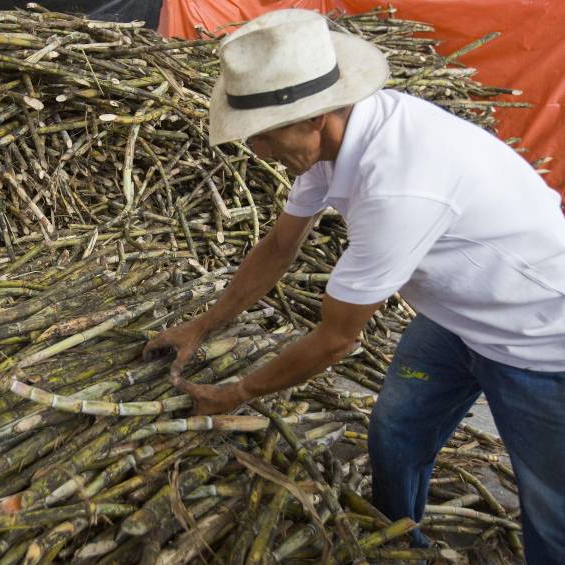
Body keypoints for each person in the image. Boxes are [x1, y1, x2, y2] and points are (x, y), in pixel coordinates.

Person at [142, 9, 565, 564]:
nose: (259, 153)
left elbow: (335, 340)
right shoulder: (334, 144)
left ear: (315, 117)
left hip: (538, 342)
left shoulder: (399, 187)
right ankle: (399, 545)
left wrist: (238, 394)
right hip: (456, 320)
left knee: (551, 510)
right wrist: (201, 326)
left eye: (266, 136)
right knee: (396, 431)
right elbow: (278, 247)